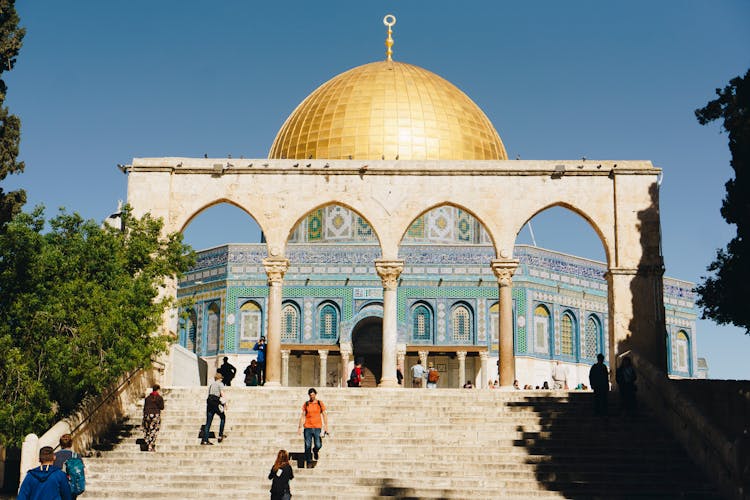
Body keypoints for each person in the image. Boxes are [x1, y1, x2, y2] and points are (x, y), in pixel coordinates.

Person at [297, 388, 328, 468]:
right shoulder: (306, 404)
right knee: (307, 445)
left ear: (315, 394)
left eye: (313, 395)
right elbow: (303, 415)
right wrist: (300, 427)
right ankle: (309, 461)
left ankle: (315, 450)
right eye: (310, 395)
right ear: (309, 395)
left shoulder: (319, 403)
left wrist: (326, 426)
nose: (312, 397)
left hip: (317, 427)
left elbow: (324, 414)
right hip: (308, 427)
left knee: (318, 445)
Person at [53, 434, 83, 499]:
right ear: (71, 444)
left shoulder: (54, 456)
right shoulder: (76, 456)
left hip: (57, 488)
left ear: (60, 444)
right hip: (71, 488)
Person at [201, 373, 226, 445]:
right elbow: (222, 393)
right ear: (220, 378)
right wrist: (225, 403)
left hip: (209, 401)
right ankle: (220, 435)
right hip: (216, 402)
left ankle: (205, 440)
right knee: (223, 417)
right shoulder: (220, 384)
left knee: (208, 422)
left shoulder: (212, 384)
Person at [142, 384, 165, 451]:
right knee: (154, 430)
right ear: (158, 390)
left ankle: (148, 443)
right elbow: (162, 407)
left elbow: (144, 408)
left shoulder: (147, 398)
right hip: (155, 415)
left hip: (147, 415)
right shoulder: (159, 398)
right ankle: (150, 445)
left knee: (147, 429)